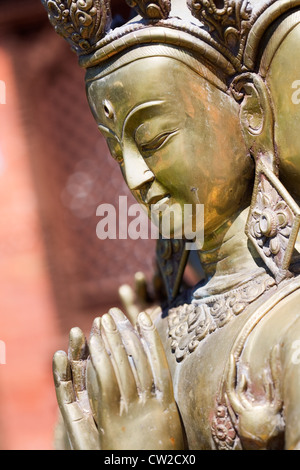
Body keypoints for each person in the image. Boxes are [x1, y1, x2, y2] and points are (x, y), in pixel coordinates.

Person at [42, 0, 300, 450]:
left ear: (250, 110)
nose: (135, 177)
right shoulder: (144, 349)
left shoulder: (289, 336)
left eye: (153, 140)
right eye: (117, 153)